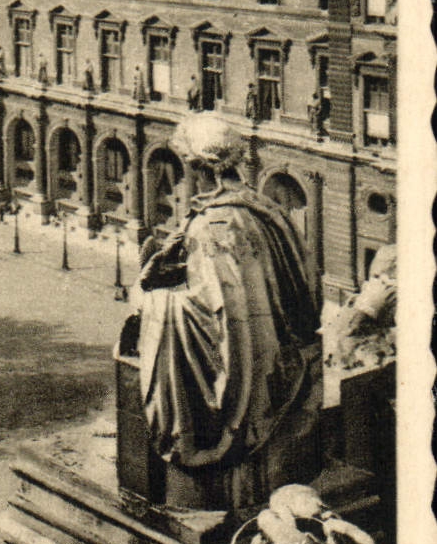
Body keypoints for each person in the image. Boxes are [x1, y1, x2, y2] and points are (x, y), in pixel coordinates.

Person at [134, 115, 321, 511]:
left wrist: (154, 294)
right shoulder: (267, 208)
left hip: (247, 382)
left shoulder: (212, 225)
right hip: (283, 363)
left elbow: (216, 318)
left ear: (197, 165)